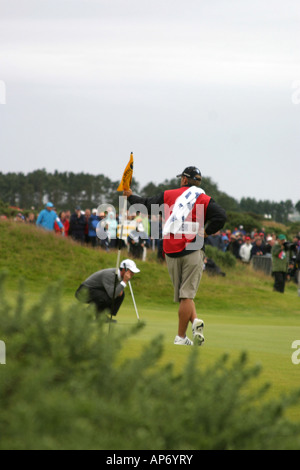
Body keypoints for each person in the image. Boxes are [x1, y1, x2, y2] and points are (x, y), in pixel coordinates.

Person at [124, 165, 226, 346]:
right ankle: (180, 337)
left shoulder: (169, 195)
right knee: (187, 295)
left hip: (171, 250)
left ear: (184, 180)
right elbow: (221, 216)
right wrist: (206, 231)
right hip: (193, 249)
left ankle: (194, 322)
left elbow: (146, 205)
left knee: (183, 295)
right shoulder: (203, 197)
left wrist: (130, 195)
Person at [75, 259, 140, 320]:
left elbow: (117, 292)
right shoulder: (110, 275)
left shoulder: (120, 276)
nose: (133, 274)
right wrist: (124, 281)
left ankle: (101, 316)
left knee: (120, 294)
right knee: (107, 296)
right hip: (83, 292)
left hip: (96, 291)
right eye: (131, 271)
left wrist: (122, 284)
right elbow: (112, 294)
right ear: (124, 269)